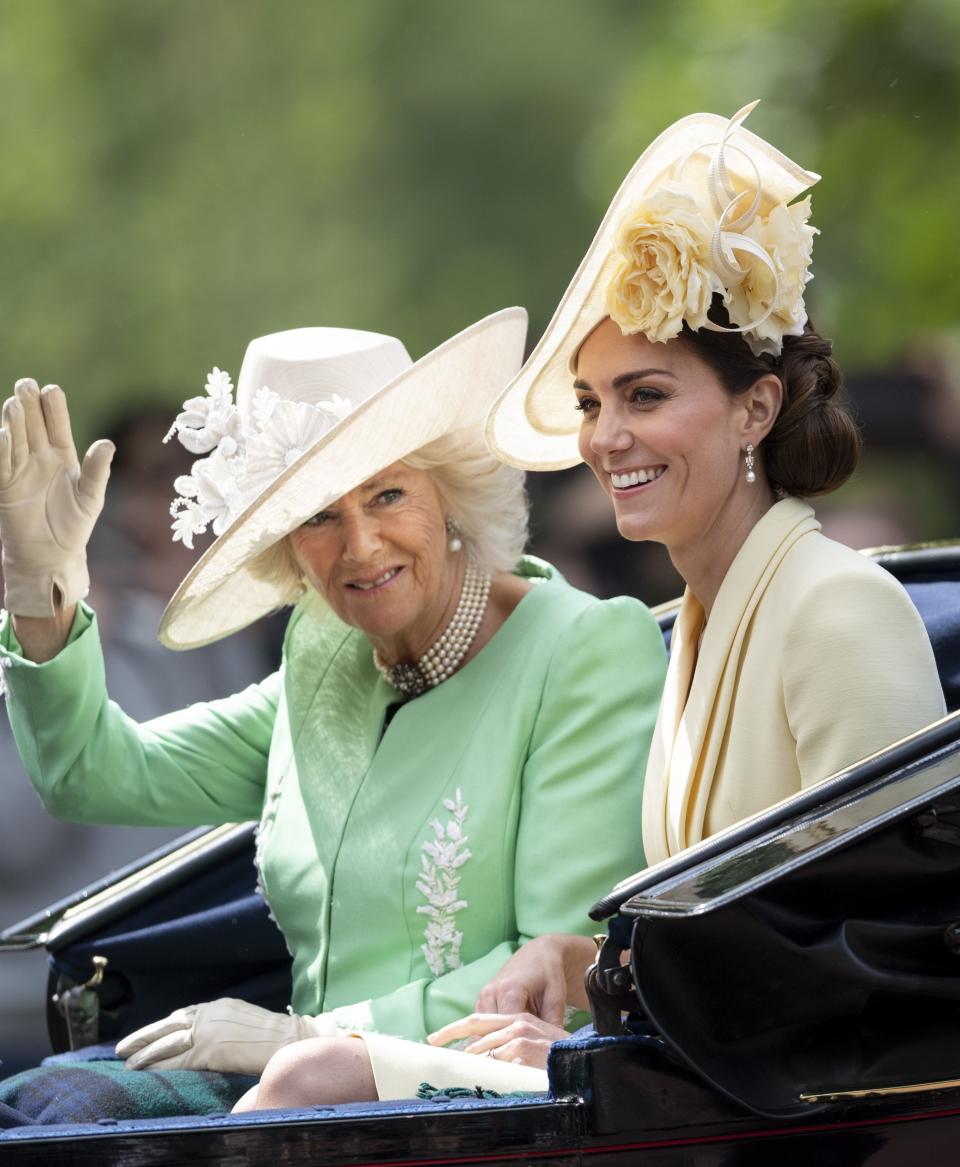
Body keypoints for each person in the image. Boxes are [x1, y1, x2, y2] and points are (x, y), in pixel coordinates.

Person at [244, 101, 948, 1105]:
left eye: (645, 395)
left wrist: (602, 1028)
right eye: (591, 402)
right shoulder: (699, 619)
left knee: (314, 1075)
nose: (605, 436)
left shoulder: (835, 610)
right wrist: (578, 964)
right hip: (700, 1072)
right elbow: (726, 938)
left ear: (757, 407)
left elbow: (874, 967)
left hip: (787, 1103)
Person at [0, 309, 667, 1122]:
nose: (359, 546)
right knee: (35, 1106)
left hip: (473, 1104)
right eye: (317, 514)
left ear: (450, 495)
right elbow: (94, 774)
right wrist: (41, 597)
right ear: (282, 544)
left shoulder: (586, 648)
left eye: (388, 493)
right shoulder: (327, 656)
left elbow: (558, 971)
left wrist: (303, 1036)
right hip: (298, 1101)